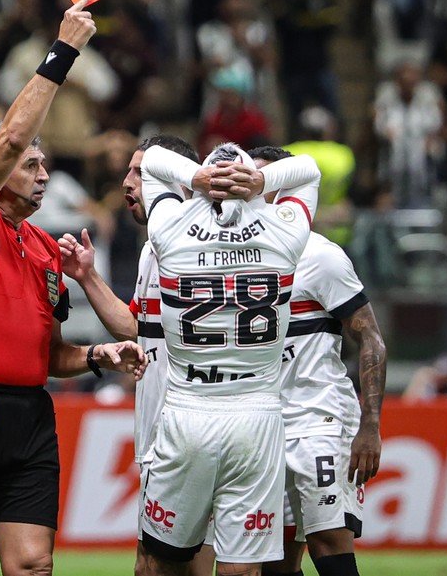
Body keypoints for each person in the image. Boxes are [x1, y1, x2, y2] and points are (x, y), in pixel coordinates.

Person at [0, 0, 146, 576]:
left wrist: (96, 356)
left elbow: (43, 355)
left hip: (30, 416)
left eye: (44, 165)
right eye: (32, 165)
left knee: (34, 565)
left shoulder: (45, 249)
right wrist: (64, 49)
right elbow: (11, 137)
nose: (44, 174)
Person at [137, 142, 321, 576]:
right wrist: (260, 181)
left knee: (161, 563)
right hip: (257, 414)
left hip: (187, 409)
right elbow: (308, 170)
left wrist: (200, 179)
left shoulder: (170, 229)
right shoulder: (285, 233)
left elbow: (151, 162)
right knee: (242, 570)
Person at [58, 134, 217, 576]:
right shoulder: (153, 250)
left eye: (141, 173)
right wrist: (88, 277)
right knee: (166, 565)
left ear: (178, 182)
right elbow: (138, 329)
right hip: (159, 429)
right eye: (128, 171)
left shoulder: (199, 251)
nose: (127, 182)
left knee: (162, 564)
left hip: (188, 430)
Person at [250, 146, 387, 576]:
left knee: (329, 545)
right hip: (261, 425)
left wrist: (370, 427)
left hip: (318, 420)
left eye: (263, 181)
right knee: (274, 560)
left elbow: (371, 340)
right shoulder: (233, 260)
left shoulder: (320, 255)